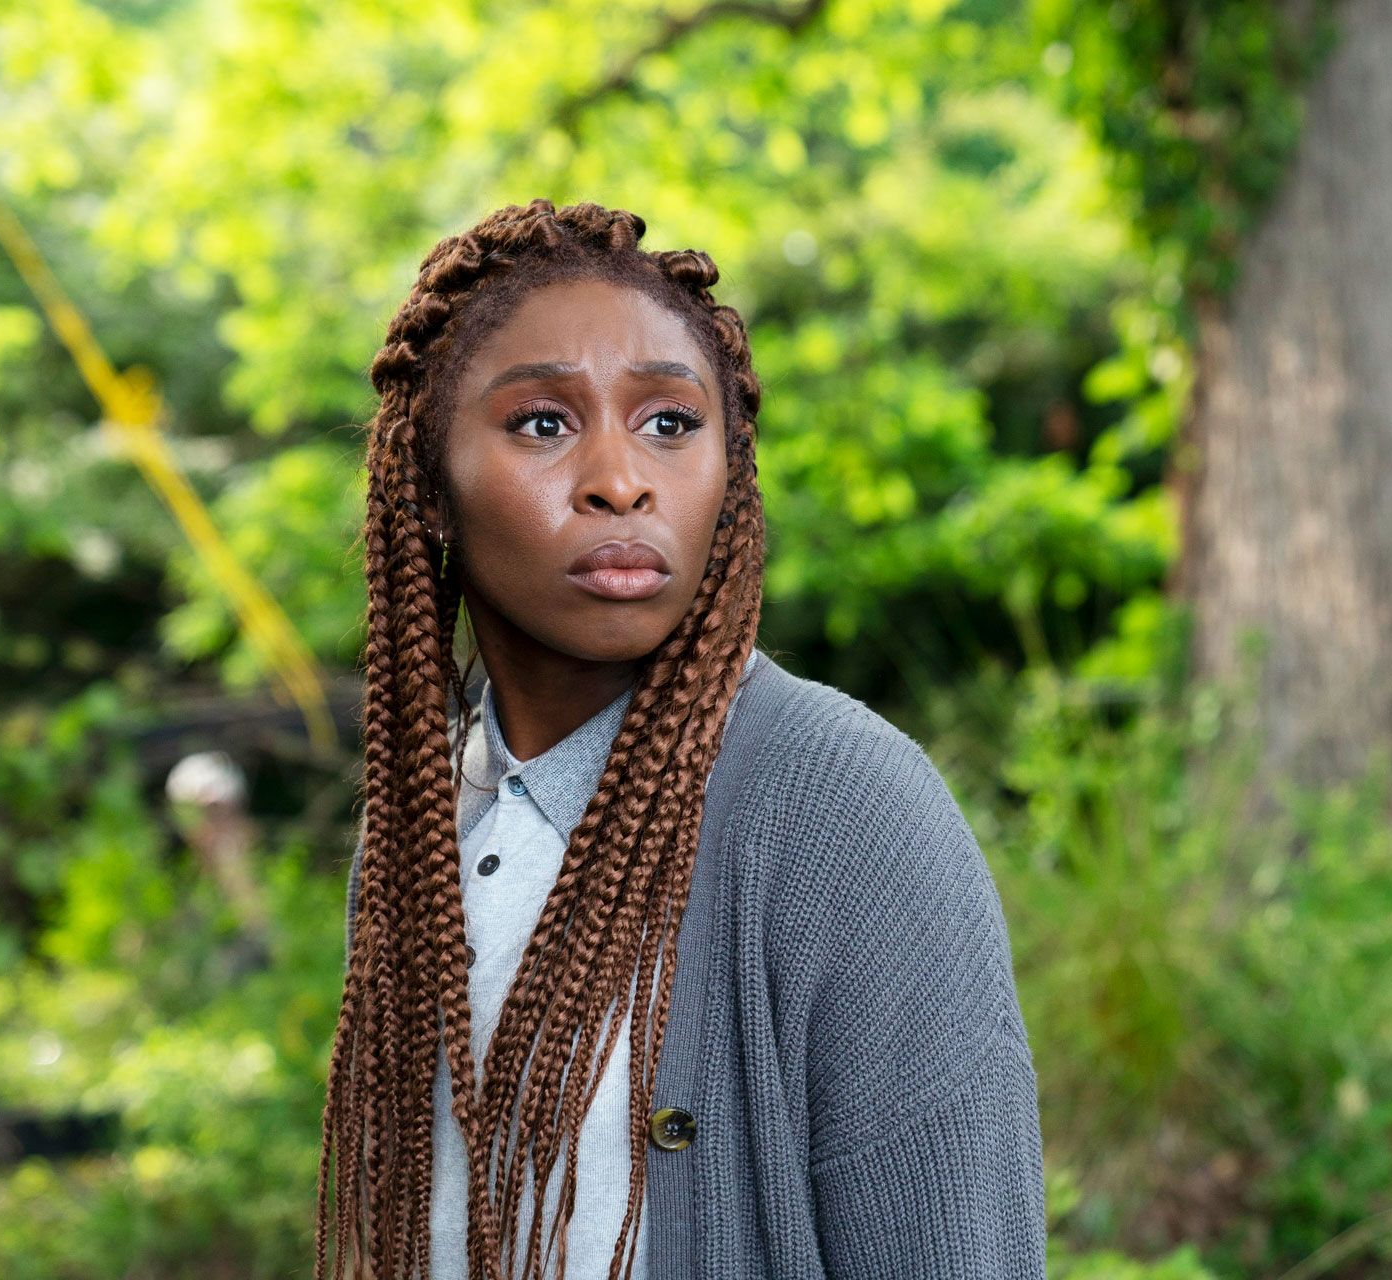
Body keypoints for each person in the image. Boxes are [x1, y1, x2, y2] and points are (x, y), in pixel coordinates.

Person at [313, 198, 1046, 1280]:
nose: (621, 479)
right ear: (426, 485)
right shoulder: (423, 821)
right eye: (543, 424)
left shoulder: (842, 806)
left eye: (669, 423)